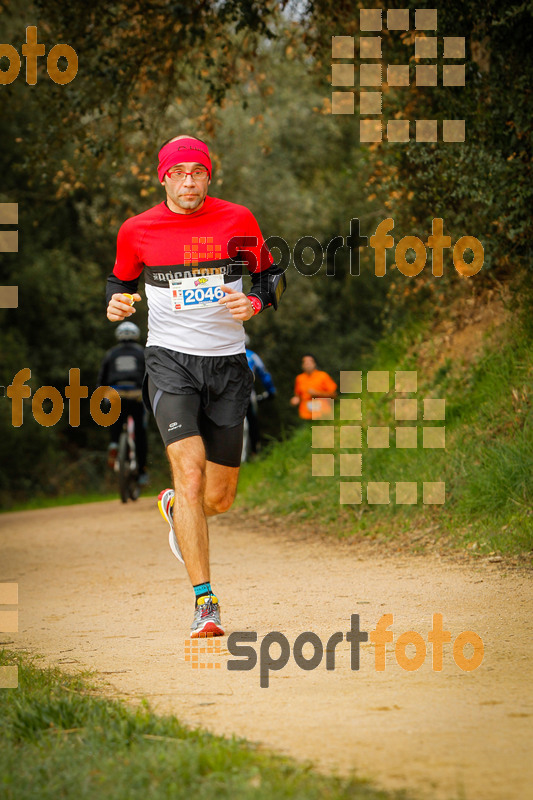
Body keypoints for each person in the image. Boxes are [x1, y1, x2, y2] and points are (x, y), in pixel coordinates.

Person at [105, 135, 285, 638]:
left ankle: (173, 507)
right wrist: (116, 303)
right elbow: (119, 282)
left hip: (228, 367)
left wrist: (256, 304)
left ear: (209, 176)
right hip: (170, 364)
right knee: (190, 475)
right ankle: (205, 604)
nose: (189, 181)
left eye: (198, 172)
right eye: (179, 172)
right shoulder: (136, 230)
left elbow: (270, 278)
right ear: (163, 177)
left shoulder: (238, 221)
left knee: (218, 498)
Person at [97, 320, 148, 482]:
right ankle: (141, 472)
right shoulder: (142, 353)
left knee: (116, 420)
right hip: (137, 393)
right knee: (140, 432)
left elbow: (102, 378)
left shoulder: (111, 354)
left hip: (115, 393)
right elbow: (150, 375)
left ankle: (114, 442)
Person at [244, 334, 276, 457]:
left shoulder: (225, 353)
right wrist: (271, 390)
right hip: (247, 392)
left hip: (225, 394)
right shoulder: (252, 355)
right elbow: (263, 373)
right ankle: (255, 451)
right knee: (252, 421)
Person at [291, 354, 337, 420]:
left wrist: (317, 393)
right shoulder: (299, 379)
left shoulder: (323, 376)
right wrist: (295, 400)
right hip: (306, 416)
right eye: (305, 362)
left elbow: (334, 395)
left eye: (310, 361)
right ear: (302, 365)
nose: (307, 364)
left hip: (323, 415)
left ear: (314, 363)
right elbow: (298, 395)